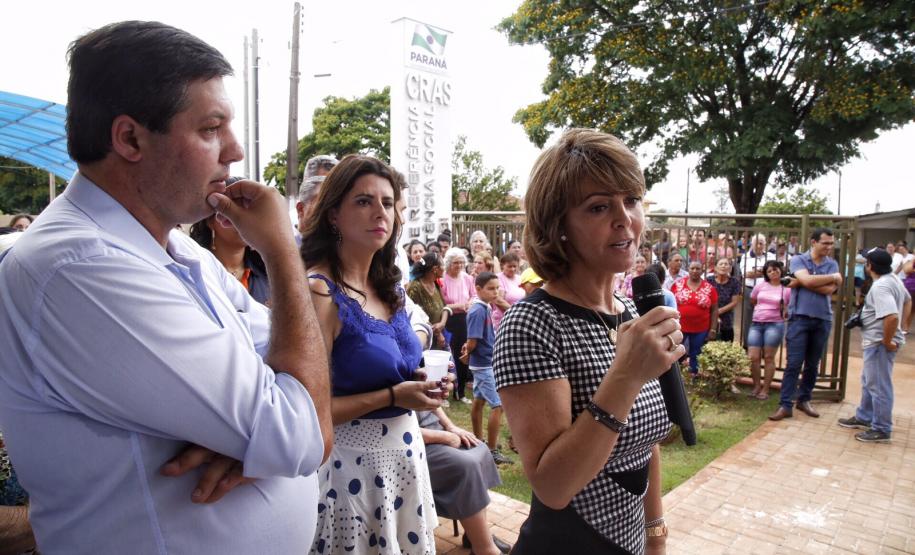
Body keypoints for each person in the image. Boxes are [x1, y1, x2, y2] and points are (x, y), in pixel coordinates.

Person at [0, 21, 333, 553]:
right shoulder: (79, 266)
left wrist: (259, 436)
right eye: (210, 129)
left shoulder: (175, 248)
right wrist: (281, 252)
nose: (235, 150)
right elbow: (302, 430)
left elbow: (298, 381)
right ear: (130, 138)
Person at [494, 129, 683, 554]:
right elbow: (553, 486)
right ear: (558, 226)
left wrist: (656, 534)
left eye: (631, 200)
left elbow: (645, 444)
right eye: (599, 206)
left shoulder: (628, 312)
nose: (625, 219)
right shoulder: (531, 324)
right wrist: (627, 375)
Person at [301, 154, 445, 553]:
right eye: (363, 201)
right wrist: (393, 397)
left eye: (386, 202)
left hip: (405, 459)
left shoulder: (390, 289)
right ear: (333, 214)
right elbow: (308, 411)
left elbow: (392, 368)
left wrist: (418, 384)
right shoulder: (321, 293)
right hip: (352, 470)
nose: (379, 212)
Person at [838, 248, 911, 442]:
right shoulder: (893, 279)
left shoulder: (881, 287)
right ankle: (865, 416)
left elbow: (891, 316)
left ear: (869, 266)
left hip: (879, 343)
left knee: (879, 386)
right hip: (878, 341)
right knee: (869, 380)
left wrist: (888, 339)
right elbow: (908, 301)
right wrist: (904, 327)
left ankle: (881, 428)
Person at [769, 228, 842, 421]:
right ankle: (785, 405)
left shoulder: (832, 263)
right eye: (825, 243)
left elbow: (828, 290)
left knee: (812, 364)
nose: (829, 246)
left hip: (823, 318)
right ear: (813, 242)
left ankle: (804, 399)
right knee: (793, 363)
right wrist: (832, 277)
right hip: (799, 318)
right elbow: (810, 281)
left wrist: (802, 281)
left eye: (831, 243)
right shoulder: (799, 260)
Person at [418, 407, 511, 555]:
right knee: (466, 466)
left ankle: (475, 536)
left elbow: (433, 401)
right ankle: (484, 549)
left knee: (480, 449)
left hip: (436, 431)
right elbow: (396, 429)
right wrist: (444, 437)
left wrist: (450, 426)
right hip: (412, 443)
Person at [462, 272, 511, 465]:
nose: (495, 292)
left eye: (497, 288)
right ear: (478, 289)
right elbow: (473, 340)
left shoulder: (484, 307)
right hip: (483, 364)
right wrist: (468, 352)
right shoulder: (478, 310)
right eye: (491, 288)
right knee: (498, 406)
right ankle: (491, 451)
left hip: (484, 362)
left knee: (479, 400)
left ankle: (478, 440)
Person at [190, 206, 271, 305]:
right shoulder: (194, 270)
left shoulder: (267, 273)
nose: (244, 220)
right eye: (231, 211)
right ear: (210, 222)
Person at [746, 261, 791, 400]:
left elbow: (788, 305)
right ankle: (756, 386)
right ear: (766, 273)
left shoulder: (786, 288)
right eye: (770, 271)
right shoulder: (760, 286)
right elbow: (753, 300)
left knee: (769, 357)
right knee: (753, 357)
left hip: (774, 324)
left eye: (775, 270)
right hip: (757, 323)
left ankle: (765, 389)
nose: (773, 273)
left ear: (781, 271)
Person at [671, 261, 719, 377]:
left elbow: (714, 310)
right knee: (675, 350)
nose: (695, 271)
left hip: (701, 328)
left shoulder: (709, 288)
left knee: (696, 352)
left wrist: (712, 329)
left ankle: (693, 375)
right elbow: (670, 305)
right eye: (692, 268)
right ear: (688, 269)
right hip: (679, 326)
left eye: (698, 268)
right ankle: (674, 375)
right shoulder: (678, 285)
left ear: (702, 270)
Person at [442, 247, 476, 404]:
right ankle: (445, 392)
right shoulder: (443, 279)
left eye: (462, 262)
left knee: (463, 354)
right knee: (448, 356)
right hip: (449, 320)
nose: (460, 265)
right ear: (449, 263)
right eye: (456, 262)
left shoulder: (467, 278)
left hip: (465, 320)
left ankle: (460, 392)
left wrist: (469, 303)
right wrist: (457, 305)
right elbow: (442, 302)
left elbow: (474, 295)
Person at [407, 252, 449, 349]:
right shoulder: (415, 287)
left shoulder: (436, 283)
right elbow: (415, 315)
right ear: (435, 269)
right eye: (442, 265)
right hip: (425, 338)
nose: (444, 268)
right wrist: (438, 335)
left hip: (440, 336)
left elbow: (445, 307)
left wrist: (442, 324)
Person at [739, 233, 776, 346]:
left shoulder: (771, 256)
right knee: (748, 318)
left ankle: (765, 345)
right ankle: (747, 345)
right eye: (757, 243)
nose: (759, 246)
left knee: (767, 317)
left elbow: (775, 273)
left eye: (761, 243)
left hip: (768, 291)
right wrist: (765, 272)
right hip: (750, 290)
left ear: (765, 244)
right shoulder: (746, 257)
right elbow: (747, 274)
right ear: (752, 244)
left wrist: (758, 272)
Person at [707, 257, 742, 343]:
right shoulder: (709, 280)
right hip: (709, 316)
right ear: (715, 267)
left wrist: (718, 311)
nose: (723, 266)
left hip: (727, 318)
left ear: (730, 268)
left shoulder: (735, 282)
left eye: (726, 264)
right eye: (721, 264)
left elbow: (734, 302)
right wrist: (714, 314)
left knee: (726, 344)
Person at [491, 252, 525, 331]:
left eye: (515, 266)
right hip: (503, 320)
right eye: (509, 266)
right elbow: (498, 300)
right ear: (503, 265)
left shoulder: (520, 278)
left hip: (519, 320)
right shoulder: (498, 278)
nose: (512, 269)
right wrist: (515, 312)